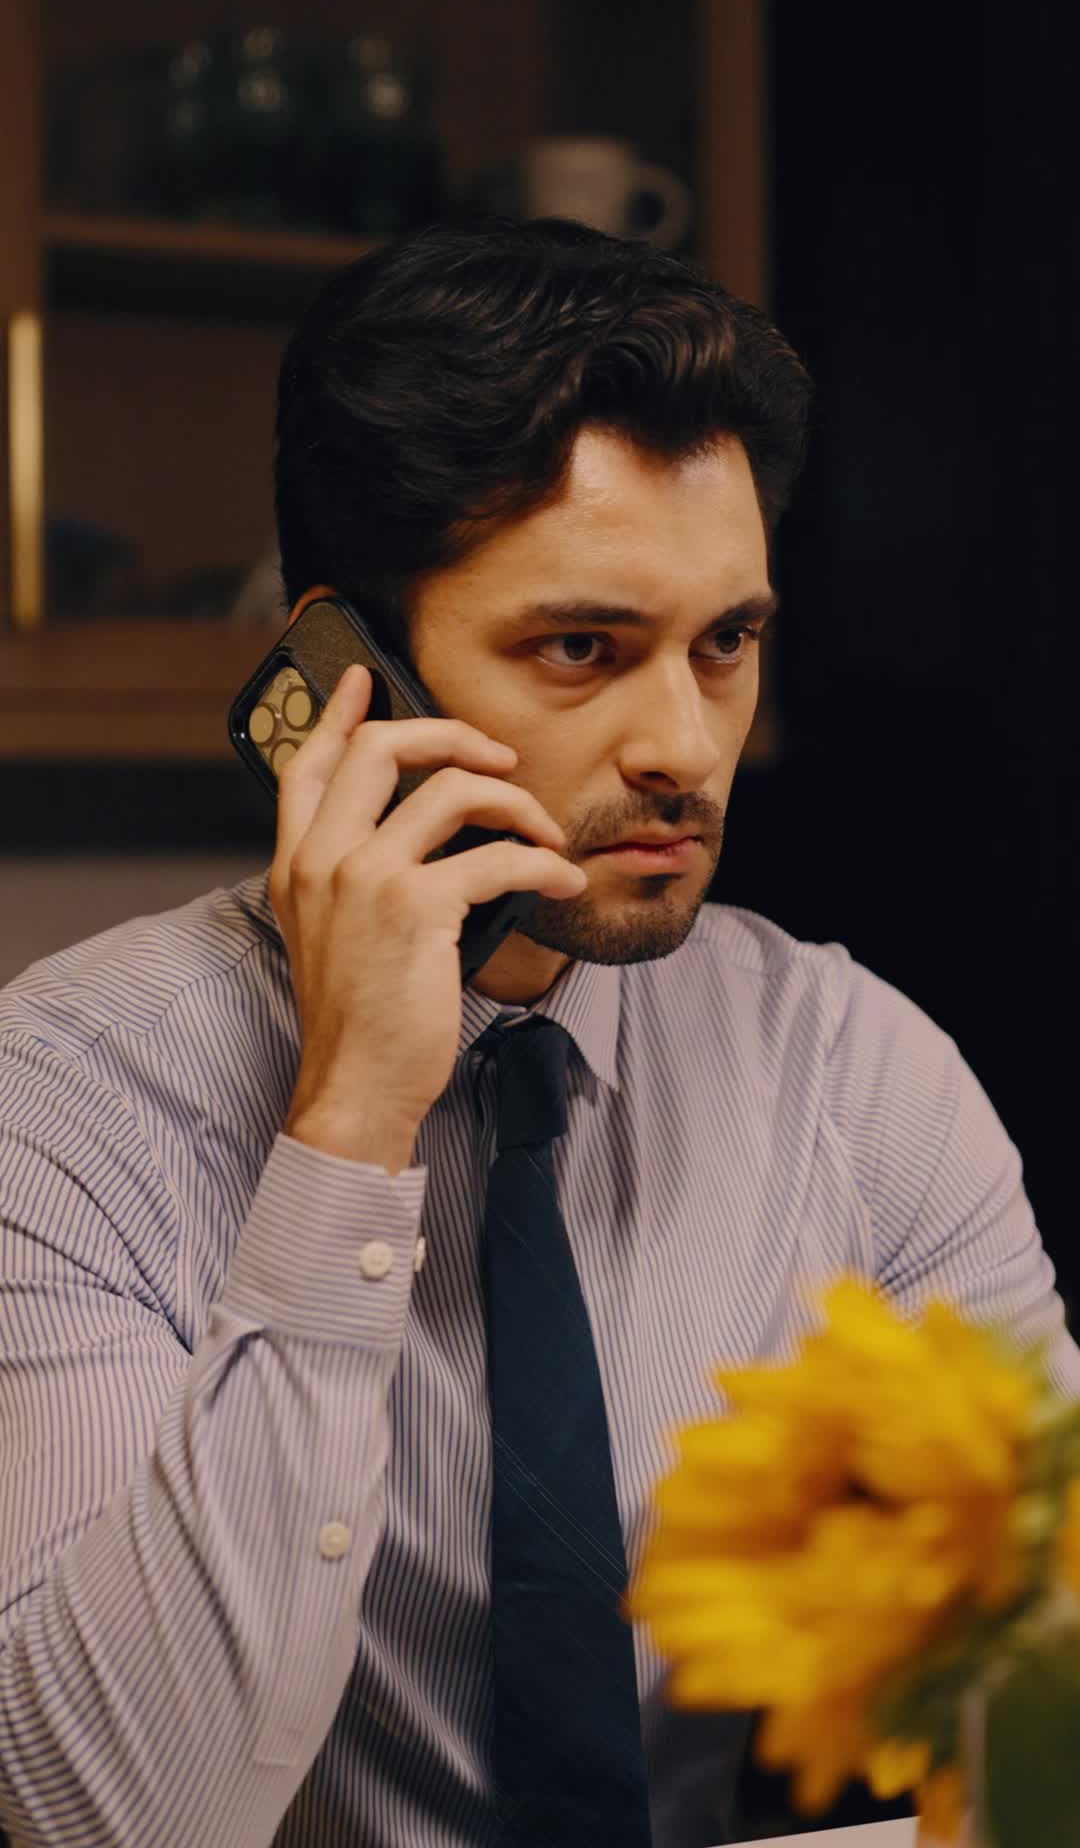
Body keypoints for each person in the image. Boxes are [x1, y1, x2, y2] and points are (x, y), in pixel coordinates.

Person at [1, 217, 1076, 1848]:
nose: (686, 747)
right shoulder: (63, 1102)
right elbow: (105, 1822)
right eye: (582, 648)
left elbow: (1046, 1697)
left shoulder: (853, 1072)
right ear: (349, 676)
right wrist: (351, 1120)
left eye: (726, 643)